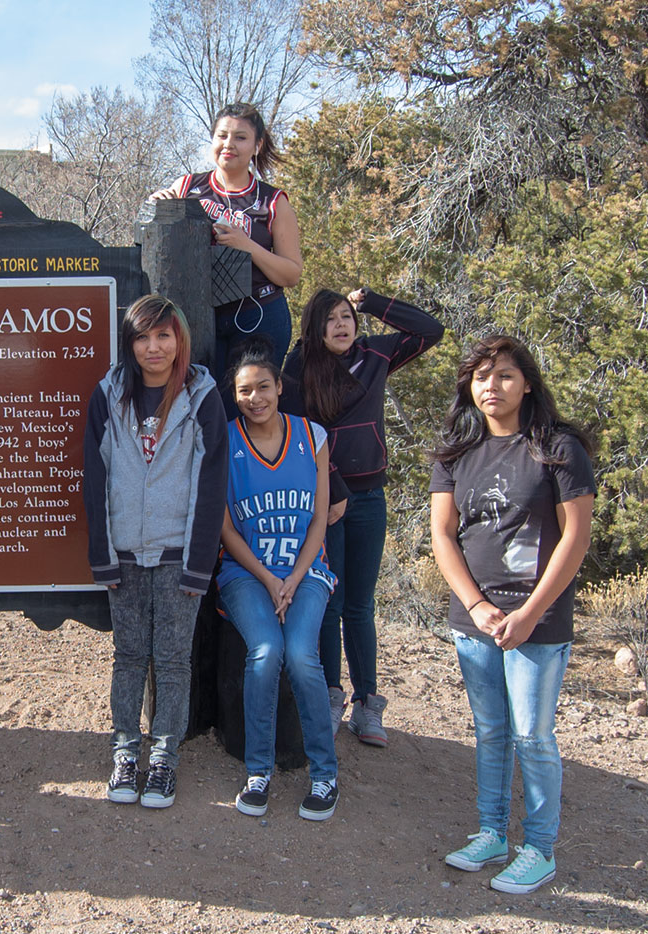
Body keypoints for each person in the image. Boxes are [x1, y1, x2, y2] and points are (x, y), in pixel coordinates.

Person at [428, 335, 595, 894]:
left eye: (503, 375)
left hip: (536, 622)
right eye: (481, 377)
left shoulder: (559, 448)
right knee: (492, 730)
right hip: (474, 621)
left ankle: (539, 849)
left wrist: (528, 614)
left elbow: (575, 537)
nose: (491, 386)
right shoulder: (457, 451)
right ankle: (492, 833)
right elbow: (443, 535)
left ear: (526, 383)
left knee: (533, 735)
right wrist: (476, 606)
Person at [83, 294, 228, 809]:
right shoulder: (109, 393)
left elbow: (211, 483)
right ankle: (125, 754)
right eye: (142, 337)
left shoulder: (201, 396)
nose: (153, 347)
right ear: (130, 343)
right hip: (124, 551)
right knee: (128, 657)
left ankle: (164, 759)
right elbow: (95, 477)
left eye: (163, 335)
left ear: (179, 339)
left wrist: (198, 564)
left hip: (176, 552)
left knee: (171, 661)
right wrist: (102, 554)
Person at [282, 287, 444, 747]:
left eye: (347, 316)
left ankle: (367, 703)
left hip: (370, 497)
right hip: (327, 501)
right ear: (315, 327)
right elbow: (302, 432)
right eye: (330, 319)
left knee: (360, 605)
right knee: (328, 601)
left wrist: (372, 301)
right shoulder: (299, 366)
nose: (341, 325)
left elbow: (430, 330)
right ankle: (331, 694)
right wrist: (334, 490)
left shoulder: (375, 355)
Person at [217, 338, 339, 821]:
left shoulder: (312, 436)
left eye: (263, 387)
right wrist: (269, 580)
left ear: (279, 387)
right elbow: (226, 528)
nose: (255, 398)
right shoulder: (225, 440)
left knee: (303, 656)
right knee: (266, 652)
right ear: (235, 396)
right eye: (244, 391)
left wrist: (294, 578)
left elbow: (319, 519)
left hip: (306, 571)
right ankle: (258, 771)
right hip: (248, 573)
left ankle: (325, 774)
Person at [150, 102, 302, 385]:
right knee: (198, 398)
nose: (229, 144)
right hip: (195, 315)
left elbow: (291, 274)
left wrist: (248, 246)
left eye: (240, 137)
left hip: (259, 315)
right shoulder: (186, 187)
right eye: (222, 136)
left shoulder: (273, 201)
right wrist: (158, 205)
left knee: (247, 402)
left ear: (257, 145)